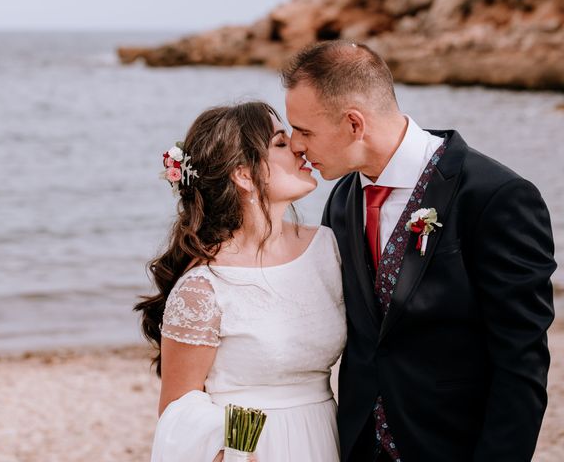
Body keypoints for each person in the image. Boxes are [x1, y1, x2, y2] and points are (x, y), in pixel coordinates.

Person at [282, 40, 557, 462]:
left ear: (354, 124)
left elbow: (521, 363)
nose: (297, 146)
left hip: (453, 446)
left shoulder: (496, 196)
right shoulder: (341, 200)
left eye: (304, 131)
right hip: (357, 446)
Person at [137, 101, 347, 461]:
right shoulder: (204, 287)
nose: (298, 147)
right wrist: (233, 448)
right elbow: (177, 407)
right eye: (280, 144)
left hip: (325, 436)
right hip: (253, 449)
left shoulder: (326, 247)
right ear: (245, 175)